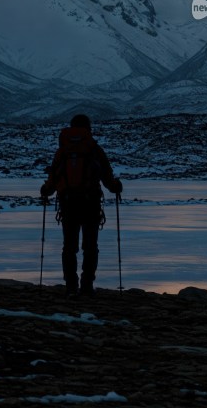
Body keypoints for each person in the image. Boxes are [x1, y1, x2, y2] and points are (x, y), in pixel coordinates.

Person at [40, 114, 122, 296]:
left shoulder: (62, 151)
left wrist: (46, 190)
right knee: (90, 246)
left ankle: (70, 286)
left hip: (68, 203)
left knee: (69, 246)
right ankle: (86, 285)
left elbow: (53, 179)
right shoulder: (93, 149)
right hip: (90, 202)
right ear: (88, 129)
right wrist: (116, 187)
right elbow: (107, 178)